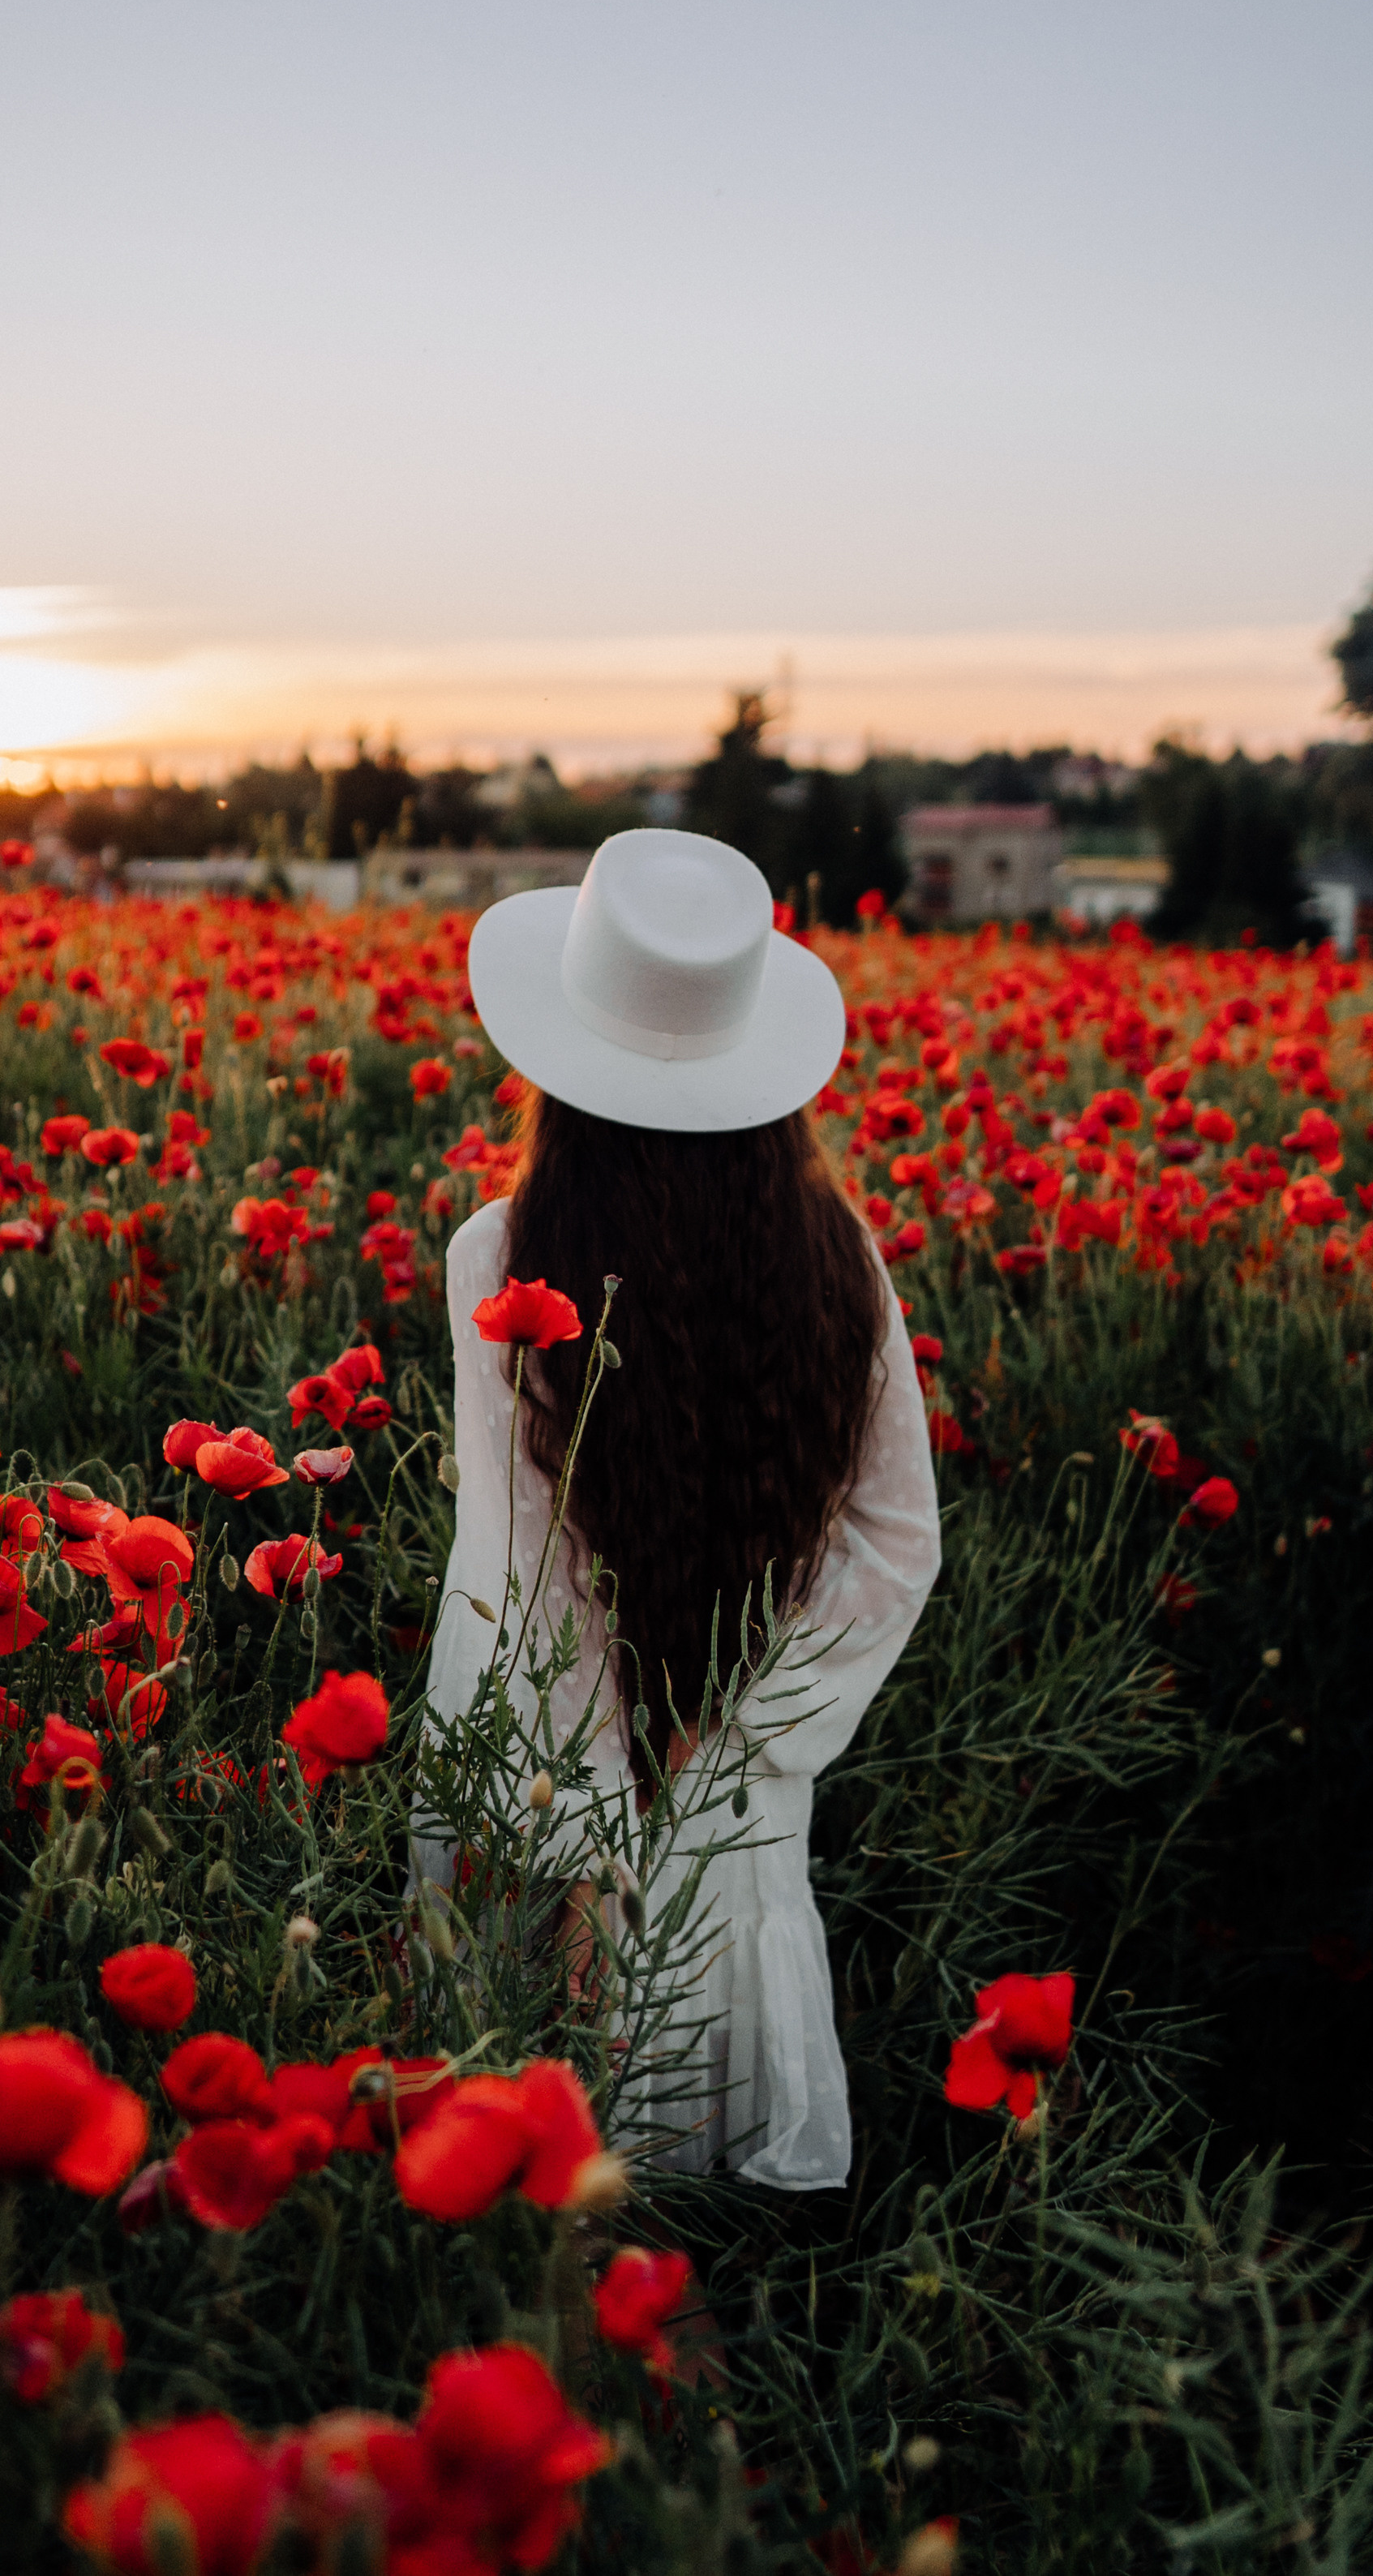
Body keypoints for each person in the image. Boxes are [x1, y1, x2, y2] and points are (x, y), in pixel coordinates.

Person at [422, 826, 940, 2189]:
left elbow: (525, 1579)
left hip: (551, 1792)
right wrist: (741, 1741)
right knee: (710, 2209)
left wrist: (590, 1847)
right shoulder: (840, 1258)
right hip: (739, 1808)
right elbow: (897, 1541)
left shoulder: (504, 1254)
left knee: (562, 2211)